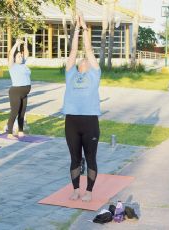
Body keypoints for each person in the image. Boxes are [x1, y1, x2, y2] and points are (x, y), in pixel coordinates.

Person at [63, 12, 101, 202]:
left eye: (85, 59)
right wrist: (75, 30)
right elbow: (73, 51)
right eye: (80, 59)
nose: (83, 59)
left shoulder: (94, 74)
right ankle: (76, 189)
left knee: (91, 157)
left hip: (90, 121)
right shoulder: (70, 74)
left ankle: (89, 191)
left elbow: (88, 49)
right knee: (75, 158)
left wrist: (84, 28)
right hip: (72, 121)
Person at [7, 37, 31, 139]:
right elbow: (11, 54)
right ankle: (9, 133)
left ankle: (20, 131)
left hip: (24, 93)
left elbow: (27, 54)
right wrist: (17, 44)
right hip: (15, 92)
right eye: (19, 56)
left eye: (21, 56)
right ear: (15, 58)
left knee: (22, 112)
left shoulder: (24, 64)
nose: (21, 57)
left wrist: (25, 45)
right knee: (14, 112)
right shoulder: (12, 66)